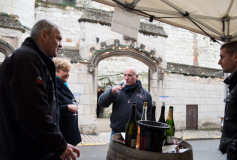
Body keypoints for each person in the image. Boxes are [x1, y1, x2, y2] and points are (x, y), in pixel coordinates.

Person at [0, 19, 80, 160]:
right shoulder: (26, 59)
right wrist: (59, 145)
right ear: (44, 35)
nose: (61, 44)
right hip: (25, 151)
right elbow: (34, 110)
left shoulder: (33, 59)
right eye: (58, 38)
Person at [98, 66, 152, 139]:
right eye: (125, 75)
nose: (126, 78)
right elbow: (101, 103)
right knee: (114, 151)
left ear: (136, 76)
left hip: (136, 134)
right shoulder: (116, 90)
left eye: (130, 75)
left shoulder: (146, 94)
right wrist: (111, 93)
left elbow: (149, 115)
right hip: (117, 132)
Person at [218, 40, 237, 160]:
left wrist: (234, 147)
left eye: (222, 57)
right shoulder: (235, 83)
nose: (219, 62)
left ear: (236, 56)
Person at [53, 57, 82, 146]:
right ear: (56, 71)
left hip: (69, 133)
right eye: (64, 71)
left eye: (68, 71)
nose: (68, 74)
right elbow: (50, 109)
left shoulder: (63, 84)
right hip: (61, 135)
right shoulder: (53, 87)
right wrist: (67, 107)